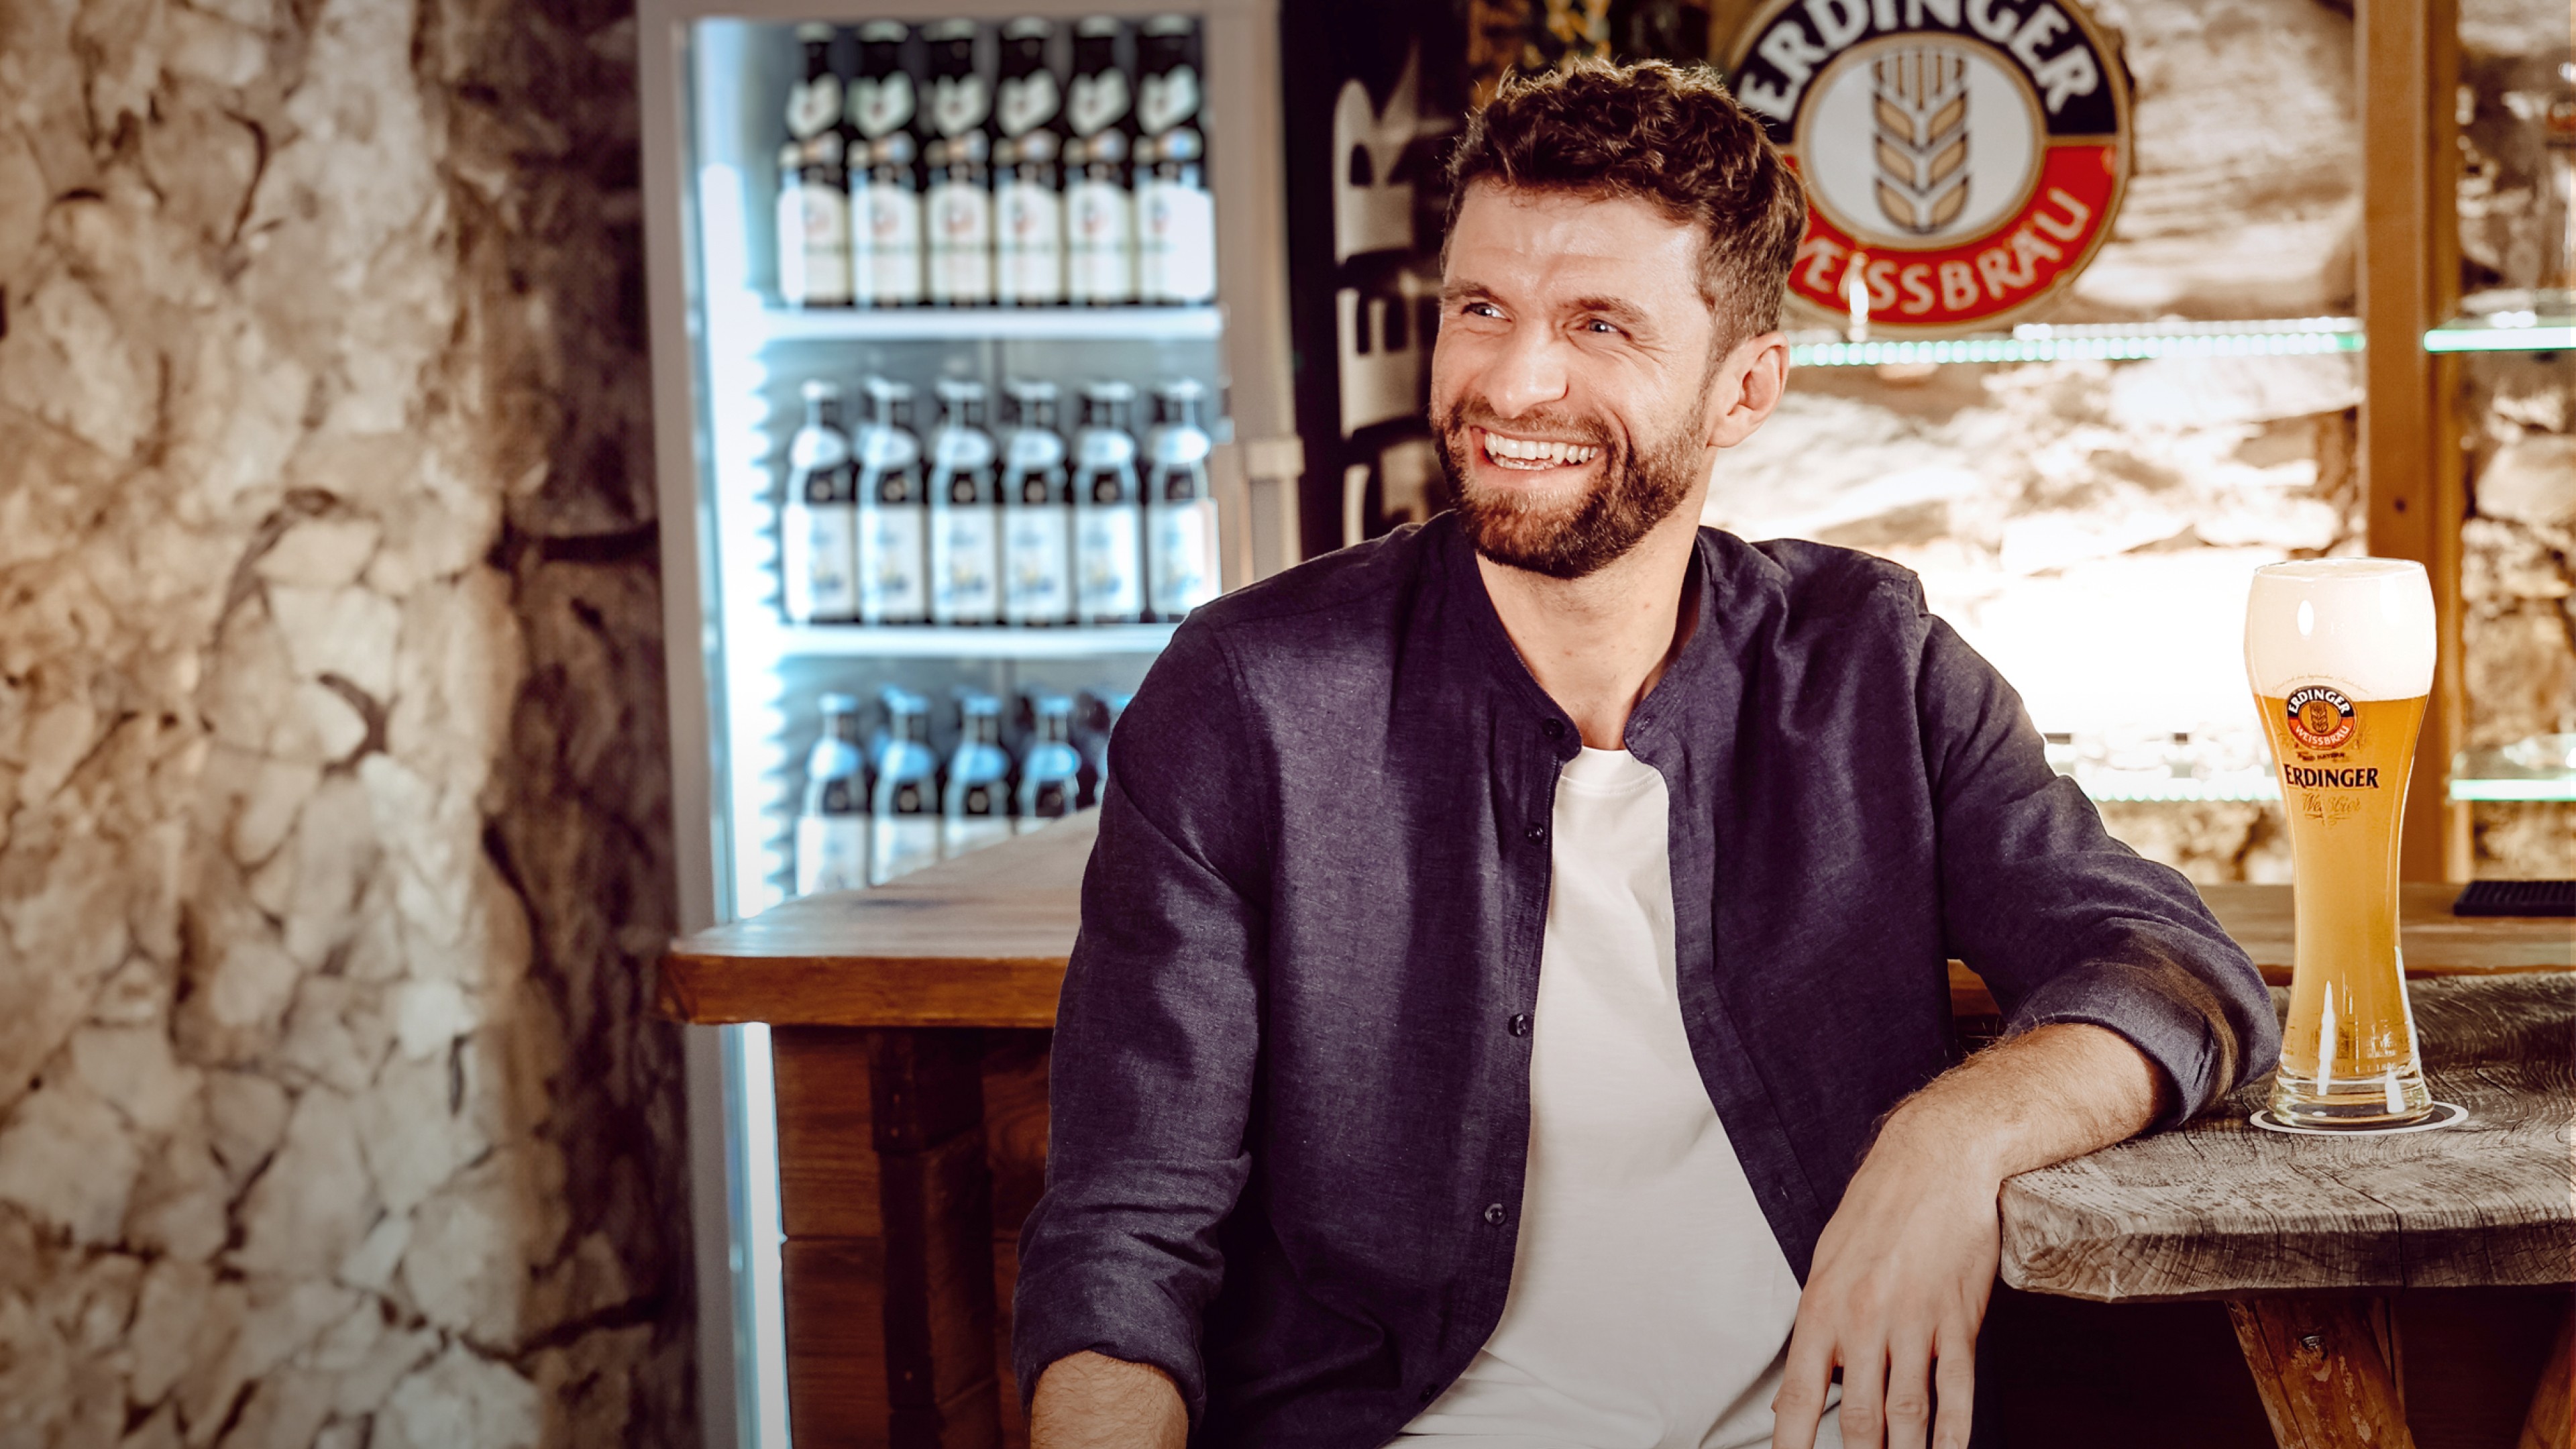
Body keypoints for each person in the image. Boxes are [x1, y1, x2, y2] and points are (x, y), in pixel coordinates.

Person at [1012, 59, 2277, 1449]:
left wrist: (1949, 1140)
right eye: (1482, 309)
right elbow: (1126, 1234)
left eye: (1600, 324)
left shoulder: (1874, 660)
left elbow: (2174, 966)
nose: (1514, 380)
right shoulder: (1250, 694)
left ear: (1745, 390)